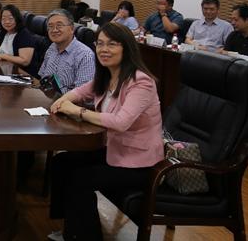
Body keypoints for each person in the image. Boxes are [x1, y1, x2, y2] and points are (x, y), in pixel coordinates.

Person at [48, 22, 163, 240]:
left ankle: (85, 237)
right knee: (62, 163)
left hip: (138, 163)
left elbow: (121, 122)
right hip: (114, 149)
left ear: (126, 48)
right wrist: (63, 100)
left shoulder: (141, 82)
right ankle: (70, 229)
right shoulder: (108, 75)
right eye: (100, 44)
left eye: (111, 44)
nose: (104, 49)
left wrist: (78, 111)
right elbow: (81, 91)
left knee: (79, 179)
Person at [39, 9, 96, 94]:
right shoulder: (52, 47)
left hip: (68, 101)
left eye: (59, 25)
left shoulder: (85, 55)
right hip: (47, 96)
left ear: (72, 29)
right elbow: (42, 77)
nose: (54, 30)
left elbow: (83, 95)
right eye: (50, 26)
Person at [0, 4, 37, 72]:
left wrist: (3, 56)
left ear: (17, 19)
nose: (7, 22)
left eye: (10, 18)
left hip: (20, 73)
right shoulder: (4, 32)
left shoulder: (24, 35)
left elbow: (25, 61)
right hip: (4, 69)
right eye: (3, 19)